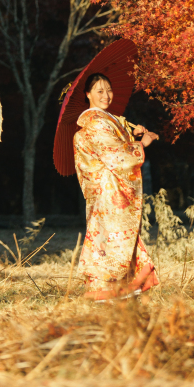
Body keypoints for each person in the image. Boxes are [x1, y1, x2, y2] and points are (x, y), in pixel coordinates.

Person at [73, 71, 160, 302]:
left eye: (109, 90)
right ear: (88, 94)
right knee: (111, 239)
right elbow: (116, 155)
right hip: (109, 192)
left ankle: (118, 289)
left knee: (111, 238)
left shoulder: (105, 119)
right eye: (99, 91)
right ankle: (109, 290)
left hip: (108, 190)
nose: (106, 95)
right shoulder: (96, 122)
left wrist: (131, 134)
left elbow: (116, 146)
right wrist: (142, 144)